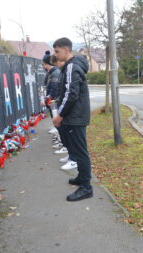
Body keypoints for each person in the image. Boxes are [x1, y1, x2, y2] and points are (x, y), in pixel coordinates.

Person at [52, 37, 93, 201]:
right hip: (75, 116)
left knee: (81, 152)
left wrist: (60, 115)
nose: (56, 55)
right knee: (77, 150)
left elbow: (71, 94)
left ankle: (86, 187)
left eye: (57, 51)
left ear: (66, 49)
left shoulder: (71, 67)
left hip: (75, 117)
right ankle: (82, 179)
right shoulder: (71, 66)